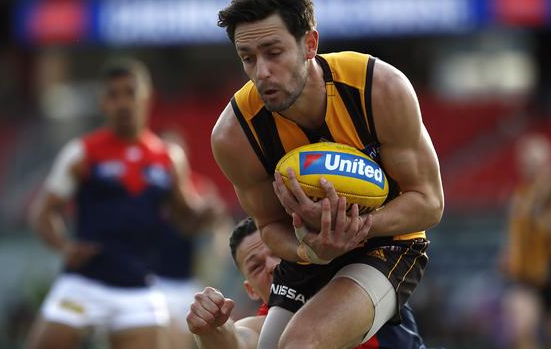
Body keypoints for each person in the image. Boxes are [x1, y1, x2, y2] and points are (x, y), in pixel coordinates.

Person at [211, 0, 444, 348]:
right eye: (248, 58)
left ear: (310, 44)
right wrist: (311, 250)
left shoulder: (379, 88)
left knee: (301, 344)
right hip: (307, 255)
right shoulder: (233, 134)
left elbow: (430, 202)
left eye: (274, 53)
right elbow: (270, 226)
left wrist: (355, 228)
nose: (262, 72)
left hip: (389, 243)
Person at [25, 58, 219, 349]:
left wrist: (204, 215)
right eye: (114, 95)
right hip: (84, 283)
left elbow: (183, 218)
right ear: (103, 103)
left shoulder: (168, 157)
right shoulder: (82, 153)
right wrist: (64, 246)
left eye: (130, 92)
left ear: (147, 98)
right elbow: (43, 212)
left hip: (138, 287)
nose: (123, 102)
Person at [186, 217, 427, 349]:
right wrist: (211, 330)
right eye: (256, 266)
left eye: (277, 252)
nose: (272, 266)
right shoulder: (269, 322)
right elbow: (239, 340)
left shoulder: (354, 279)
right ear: (251, 290)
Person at [150, 129, 234, 349]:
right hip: (155, 281)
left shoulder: (199, 188)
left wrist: (218, 251)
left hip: (189, 281)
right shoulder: (150, 193)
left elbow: (219, 223)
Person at [498, 133, 551, 349]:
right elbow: (514, 234)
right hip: (527, 278)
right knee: (521, 329)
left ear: (548, 162)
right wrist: (508, 252)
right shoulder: (519, 196)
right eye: (526, 162)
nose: (530, 167)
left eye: (535, 162)